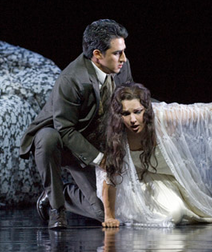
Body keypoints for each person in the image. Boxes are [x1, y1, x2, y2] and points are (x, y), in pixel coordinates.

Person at [97, 83, 212, 227]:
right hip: (137, 184)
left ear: (146, 109)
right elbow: (110, 176)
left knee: (200, 211)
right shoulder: (117, 134)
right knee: (172, 214)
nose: (132, 119)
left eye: (137, 112)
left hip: (171, 177)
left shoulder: (162, 116)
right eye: (126, 113)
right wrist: (109, 216)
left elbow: (207, 111)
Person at [20, 19, 133, 229]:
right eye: (117, 53)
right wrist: (100, 159)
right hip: (66, 145)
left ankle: (66, 194)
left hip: (93, 143)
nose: (124, 59)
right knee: (47, 137)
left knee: (103, 211)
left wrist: (166, 110)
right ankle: (56, 204)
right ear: (97, 55)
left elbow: (131, 98)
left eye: (123, 51)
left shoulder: (120, 67)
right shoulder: (72, 79)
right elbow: (65, 129)